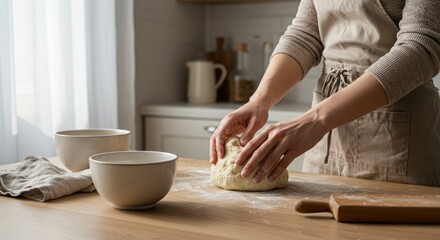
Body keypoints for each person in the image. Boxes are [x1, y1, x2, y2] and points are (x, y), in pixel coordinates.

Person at [209, 0, 440, 187]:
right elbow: (305, 36)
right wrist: (260, 100)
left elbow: (421, 48)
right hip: (322, 144)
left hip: (395, 140)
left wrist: (316, 119)